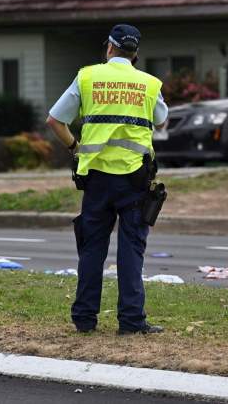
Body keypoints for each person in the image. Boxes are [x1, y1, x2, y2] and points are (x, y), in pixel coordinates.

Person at [46, 24, 168, 335]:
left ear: (109, 48)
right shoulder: (149, 84)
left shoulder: (87, 77)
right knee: (131, 250)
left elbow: (54, 120)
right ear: (135, 53)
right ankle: (131, 322)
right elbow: (161, 119)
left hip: (97, 179)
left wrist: (75, 148)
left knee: (92, 249)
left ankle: (85, 319)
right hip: (134, 179)